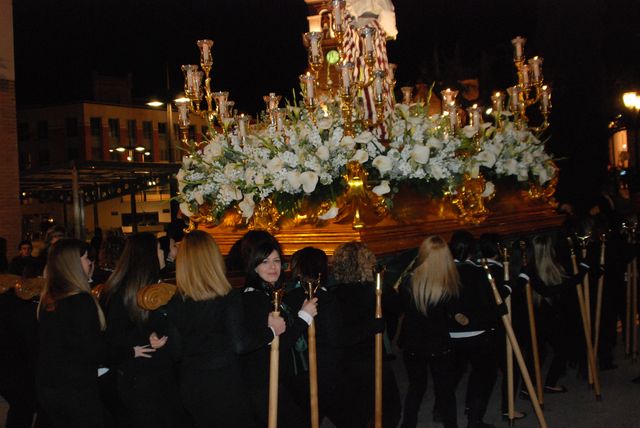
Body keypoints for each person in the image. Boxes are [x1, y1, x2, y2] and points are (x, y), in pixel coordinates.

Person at [159, 230, 285, 428]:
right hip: (223, 384)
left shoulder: (176, 301)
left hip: (191, 384)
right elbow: (239, 344)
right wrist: (271, 331)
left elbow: (176, 352)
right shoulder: (227, 296)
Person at [102, 232, 181, 428]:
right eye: (159, 249)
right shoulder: (124, 290)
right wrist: (133, 346)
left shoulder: (150, 286)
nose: (163, 253)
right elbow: (113, 333)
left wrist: (150, 333)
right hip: (142, 378)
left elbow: (144, 324)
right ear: (148, 256)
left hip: (155, 374)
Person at [240, 239, 318, 428]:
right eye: (265, 262)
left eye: (276, 261)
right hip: (262, 384)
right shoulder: (254, 298)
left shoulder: (268, 293)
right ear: (254, 267)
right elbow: (278, 345)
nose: (273, 267)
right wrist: (304, 317)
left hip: (273, 380)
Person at [35, 239, 107, 428]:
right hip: (76, 388)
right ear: (73, 264)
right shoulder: (81, 301)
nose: (90, 262)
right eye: (85, 258)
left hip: (49, 385)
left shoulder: (48, 297)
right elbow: (93, 349)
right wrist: (129, 351)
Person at [331, 241, 402, 428]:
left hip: (345, 362)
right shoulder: (375, 290)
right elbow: (399, 305)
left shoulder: (333, 294)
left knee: (358, 412)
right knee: (388, 409)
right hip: (371, 359)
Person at [397, 236, 459, 428]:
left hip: (413, 345)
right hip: (439, 345)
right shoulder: (448, 285)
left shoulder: (408, 282)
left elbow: (398, 307)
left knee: (415, 389)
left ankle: (408, 425)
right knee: (446, 391)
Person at [286, 247, 352, 427]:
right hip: (326, 372)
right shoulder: (328, 299)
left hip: (300, 371)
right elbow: (335, 338)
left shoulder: (289, 297)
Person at [449, 230, 507, 428]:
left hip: (450, 335)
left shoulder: (443, 273)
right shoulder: (479, 273)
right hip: (477, 333)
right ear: (472, 252)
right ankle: (474, 419)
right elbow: (488, 303)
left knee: (452, 375)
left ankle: (442, 411)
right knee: (484, 374)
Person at [517, 234, 587, 394]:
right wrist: (578, 277)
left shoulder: (551, 267)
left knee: (549, 351)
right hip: (539, 318)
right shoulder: (530, 270)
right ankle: (531, 387)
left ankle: (539, 385)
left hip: (547, 317)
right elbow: (546, 291)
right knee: (541, 353)